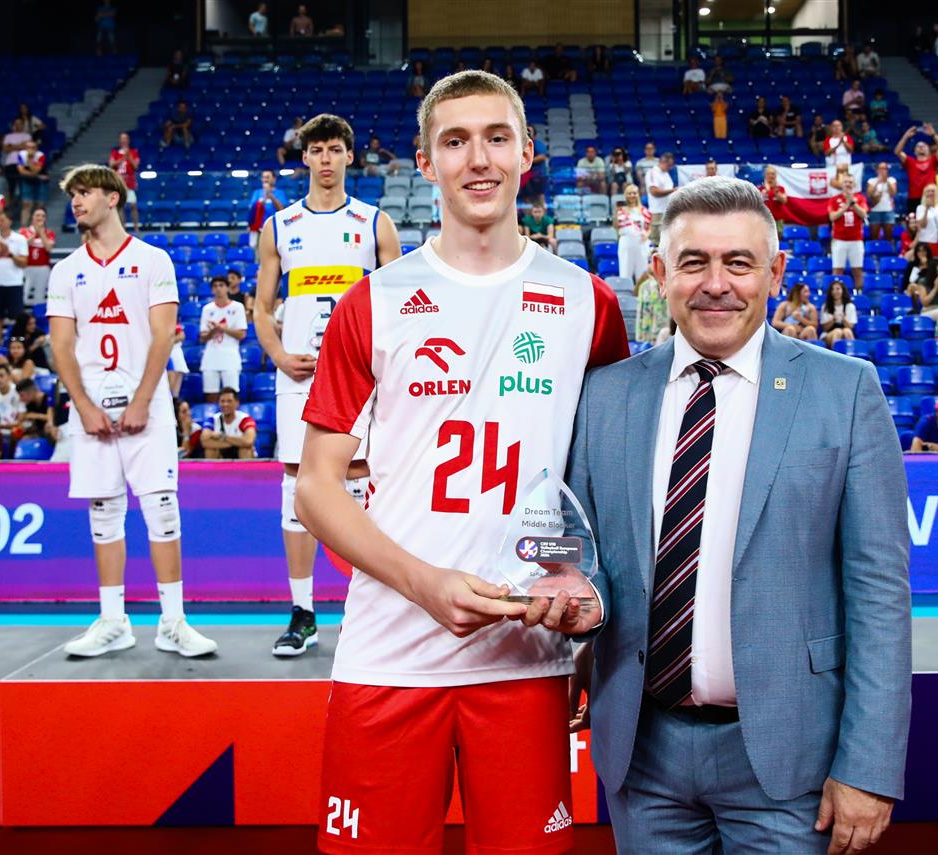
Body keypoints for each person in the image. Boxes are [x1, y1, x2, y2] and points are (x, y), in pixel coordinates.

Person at [295, 70, 629, 854]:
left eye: (496, 138)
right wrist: (425, 584)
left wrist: (593, 621)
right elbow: (315, 487)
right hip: (389, 654)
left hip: (527, 657)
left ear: (527, 153)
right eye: (455, 141)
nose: (478, 159)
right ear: (426, 162)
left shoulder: (589, 302)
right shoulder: (374, 302)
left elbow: (607, 484)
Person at [562, 175, 909, 854]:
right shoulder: (604, 396)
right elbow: (585, 553)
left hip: (792, 758)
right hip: (643, 755)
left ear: (774, 273)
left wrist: (868, 765)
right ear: (660, 272)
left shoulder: (846, 391)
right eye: (693, 262)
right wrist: (579, 596)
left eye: (739, 263)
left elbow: (880, 594)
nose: (716, 284)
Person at [48, 163, 217, 659]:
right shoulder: (66, 269)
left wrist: (143, 399)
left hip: (149, 407)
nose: (77, 201)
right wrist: (83, 406)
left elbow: (164, 336)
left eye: (85, 192)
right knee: (104, 513)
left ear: (113, 197)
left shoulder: (151, 260)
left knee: (162, 509)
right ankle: (113, 621)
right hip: (91, 411)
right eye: (73, 195)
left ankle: (173, 622)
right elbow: (61, 345)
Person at [253, 113, 401, 658]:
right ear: (305, 158)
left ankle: (367, 609)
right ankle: (303, 612)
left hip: (358, 375)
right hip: (299, 376)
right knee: (298, 485)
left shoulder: (374, 223)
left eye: (335, 149)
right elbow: (261, 307)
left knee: (359, 479)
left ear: (349, 156)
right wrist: (277, 355)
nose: (325, 159)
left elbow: (399, 306)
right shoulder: (279, 226)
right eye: (316, 150)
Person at [0, 211, 29, 349]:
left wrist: (9, 253)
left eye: (2, 220)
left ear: (10, 221)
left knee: (17, 318)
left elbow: (23, 263)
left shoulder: (19, 239)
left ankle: (17, 346)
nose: (0, 223)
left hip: (14, 283)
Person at [199, 276, 247, 402]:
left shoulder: (238, 307)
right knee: (210, 394)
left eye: (221, 285)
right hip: (211, 356)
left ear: (227, 288)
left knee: (231, 394)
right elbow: (203, 338)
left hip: (230, 355)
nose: (218, 289)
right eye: (215, 286)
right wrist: (213, 331)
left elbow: (241, 334)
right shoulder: (207, 309)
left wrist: (222, 328)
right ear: (211, 290)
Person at [829, 174, 867, 292]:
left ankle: (858, 293)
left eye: (850, 182)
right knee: (838, 270)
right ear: (842, 185)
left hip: (856, 240)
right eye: (846, 182)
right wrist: (846, 206)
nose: (848, 184)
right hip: (839, 240)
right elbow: (832, 217)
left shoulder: (860, 199)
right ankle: (835, 294)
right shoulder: (834, 200)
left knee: (857, 270)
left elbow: (864, 214)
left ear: (854, 184)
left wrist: (853, 204)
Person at [893, 124, 938, 208]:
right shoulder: (910, 161)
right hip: (914, 197)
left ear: (929, 150)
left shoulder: (933, 160)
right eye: (918, 146)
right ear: (914, 151)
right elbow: (897, 151)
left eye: (924, 146)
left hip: (931, 196)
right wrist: (906, 136)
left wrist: (934, 135)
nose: (921, 147)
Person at [200, 387, 257, 459]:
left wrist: (222, 436)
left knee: (245, 449)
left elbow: (249, 441)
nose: (225, 404)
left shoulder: (245, 419)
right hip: (222, 452)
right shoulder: (213, 419)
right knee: (210, 450)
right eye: (222, 401)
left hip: (239, 452)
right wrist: (235, 442)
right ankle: (213, 467)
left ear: (237, 403)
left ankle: (245, 467)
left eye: (229, 401)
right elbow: (204, 441)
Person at [615, 185, 652, 282]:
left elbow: (649, 228)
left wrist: (647, 235)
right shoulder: (621, 210)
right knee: (625, 271)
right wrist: (615, 213)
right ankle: (625, 290)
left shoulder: (644, 210)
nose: (632, 195)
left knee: (642, 272)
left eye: (634, 193)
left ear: (638, 194)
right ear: (625, 195)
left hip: (641, 243)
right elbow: (616, 227)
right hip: (626, 242)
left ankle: (641, 291)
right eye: (629, 193)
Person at [19, 207, 55, 306]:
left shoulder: (50, 233)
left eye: (43, 216)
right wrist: (35, 233)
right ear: (32, 217)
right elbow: (24, 245)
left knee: (40, 297)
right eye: (37, 215)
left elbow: (48, 248)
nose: (40, 218)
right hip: (27, 267)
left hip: (43, 268)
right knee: (24, 295)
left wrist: (42, 233)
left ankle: (38, 314)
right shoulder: (23, 231)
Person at [108, 132, 141, 231]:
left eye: (125, 138)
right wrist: (122, 158)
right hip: (119, 183)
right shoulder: (115, 153)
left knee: (133, 205)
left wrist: (129, 156)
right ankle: (123, 228)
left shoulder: (134, 152)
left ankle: (136, 227)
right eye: (122, 138)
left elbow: (136, 166)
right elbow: (111, 164)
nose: (124, 140)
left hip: (129, 183)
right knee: (120, 206)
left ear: (128, 140)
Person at [645, 152, 676, 244]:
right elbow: (654, 192)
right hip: (657, 212)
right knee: (655, 241)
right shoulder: (652, 173)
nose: (670, 168)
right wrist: (672, 190)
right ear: (663, 162)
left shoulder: (666, 174)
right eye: (669, 165)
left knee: (666, 241)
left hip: (667, 211)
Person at [16, 140, 48, 226]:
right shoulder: (21, 155)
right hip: (28, 180)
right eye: (28, 147)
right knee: (26, 203)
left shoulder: (40, 156)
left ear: (36, 148)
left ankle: (38, 227)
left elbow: (37, 170)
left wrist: (30, 161)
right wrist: (34, 174)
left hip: (41, 182)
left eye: (33, 147)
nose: (30, 149)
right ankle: (24, 227)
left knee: (40, 206)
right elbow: (21, 171)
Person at [915, 184, 938, 256]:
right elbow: (922, 225)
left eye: (933, 191)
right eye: (928, 191)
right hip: (926, 240)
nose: (931, 193)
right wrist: (926, 209)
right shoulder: (920, 208)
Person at [820, 279, 858, 345]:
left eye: (837, 289)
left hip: (845, 331)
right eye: (833, 289)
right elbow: (825, 328)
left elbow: (851, 327)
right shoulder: (825, 306)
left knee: (847, 331)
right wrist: (833, 320)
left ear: (842, 290)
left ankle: (851, 350)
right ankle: (834, 351)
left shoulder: (850, 306)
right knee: (838, 332)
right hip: (829, 334)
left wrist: (843, 320)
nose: (835, 291)